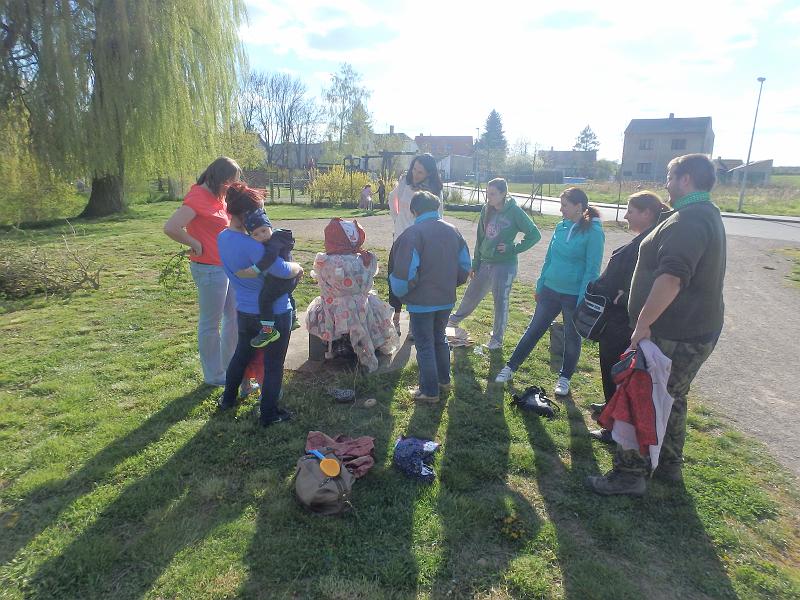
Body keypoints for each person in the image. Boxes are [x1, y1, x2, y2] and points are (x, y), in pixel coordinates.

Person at [587, 154, 726, 496]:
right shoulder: (700, 214)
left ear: (686, 179)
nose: (666, 183)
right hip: (690, 330)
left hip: (671, 333)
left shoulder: (689, 221)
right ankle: (667, 465)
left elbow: (672, 278)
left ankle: (629, 475)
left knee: (639, 397)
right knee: (672, 397)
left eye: (670, 175)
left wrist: (642, 325)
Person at [495, 187, 605, 397]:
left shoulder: (594, 232)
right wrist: (540, 285)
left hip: (573, 297)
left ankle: (564, 378)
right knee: (534, 329)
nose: (561, 209)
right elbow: (549, 259)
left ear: (578, 207)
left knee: (572, 337)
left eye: (564, 205)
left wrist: (583, 300)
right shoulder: (560, 227)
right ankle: (510, 367)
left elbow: (592, 271)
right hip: (550, 291)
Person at [216, 183, 304, 427]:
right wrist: (299, 267)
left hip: (244, 310)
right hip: (274, 312)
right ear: (245, 215)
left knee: (241, 355)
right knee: (274, 364)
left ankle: (227, 400)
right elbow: (283, 271)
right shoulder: (253, 246)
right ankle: (269, 414)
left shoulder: (223, 238)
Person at [586, 191, 667, 443]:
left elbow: (651, 281)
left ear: (647, 214)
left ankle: (614, 428)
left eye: (631, 211)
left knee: (617, 369)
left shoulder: (651, 243)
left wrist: (624, 296)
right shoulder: (645, 239)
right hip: (618, 317)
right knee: (613, 369)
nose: (625, 216)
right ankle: (612, 406)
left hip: (623, 320)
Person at [163, 157, 241, 387]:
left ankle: (230, 368)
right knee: (211, 323)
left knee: (233, 318)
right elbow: (171, 227)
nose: (232, 186)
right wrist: (195, 244)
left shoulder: (219, 197)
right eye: (230, 181)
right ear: (219, 177)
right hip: (209, 269)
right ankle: (214, 375)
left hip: (226, 267)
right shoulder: (198, 197)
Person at [389, 191, 471, 402]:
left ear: (413, 210)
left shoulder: (412, 234)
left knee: (424, 344)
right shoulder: (454, 231)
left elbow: (403, 275)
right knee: (440, 339)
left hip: (421, 302)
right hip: (446, 298)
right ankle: (444, 380)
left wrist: (401, 293)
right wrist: (450, 284)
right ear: (436, 208)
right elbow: (465, 266)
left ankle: (429, 390)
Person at [447, 178, 541, 349]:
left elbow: (534, 234)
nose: (488, 197)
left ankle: (497, 339)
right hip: (485, 262)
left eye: (492, 194)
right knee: (471, 294)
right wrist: (475, 264)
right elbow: (480, 238)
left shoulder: (515, 212)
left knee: (500, 302)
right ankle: (452, 322)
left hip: (505, 265)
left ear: (503, 194)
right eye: (487, 193)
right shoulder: (486, 209)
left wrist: (513, 248)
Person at [305, 218, 398, 372]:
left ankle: (338, 347)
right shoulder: (365, 258)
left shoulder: (326, 261)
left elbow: (320, 280)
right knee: (366, 318)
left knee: (323, 314)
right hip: (363, 305)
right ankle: (361, 348)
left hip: (333, 304)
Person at [387, 154, 443, 333]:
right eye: (414, 169)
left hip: (420, 244)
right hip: (399, 239)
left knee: (415, 282)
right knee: (394, 279)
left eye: (420, 172)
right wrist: (396, 218)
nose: (415, 174)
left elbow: (439, 216)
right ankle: (395, 318)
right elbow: (392, 197)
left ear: (429, 173)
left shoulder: (434, 190)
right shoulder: (405, 181)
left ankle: (413, 324)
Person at [234, 210, 300, 348]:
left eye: (263, 231)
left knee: (265, 299)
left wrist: (255, 270)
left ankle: (268, 330)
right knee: (287, 293)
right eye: (255, 234)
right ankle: (293, 317)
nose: (261, 236)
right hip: (289, 277)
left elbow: (269, 258)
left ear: (270, 227)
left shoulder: (274, 241)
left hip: (283, 278)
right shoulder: (277, 237)